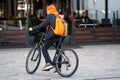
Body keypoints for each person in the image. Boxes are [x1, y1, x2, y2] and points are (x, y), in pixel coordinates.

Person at [29, 5, 62, 72]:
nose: (47, 12)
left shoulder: (50, 16)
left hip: (53, 36)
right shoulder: (57, 15)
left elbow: (43, 24)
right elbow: (50, 26)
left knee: (44, 48)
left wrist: (33, 28)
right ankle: (58, 68)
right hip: (60, 35)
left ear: (49, 10)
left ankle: (49, 63)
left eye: (47, 10)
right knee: (58, 50)